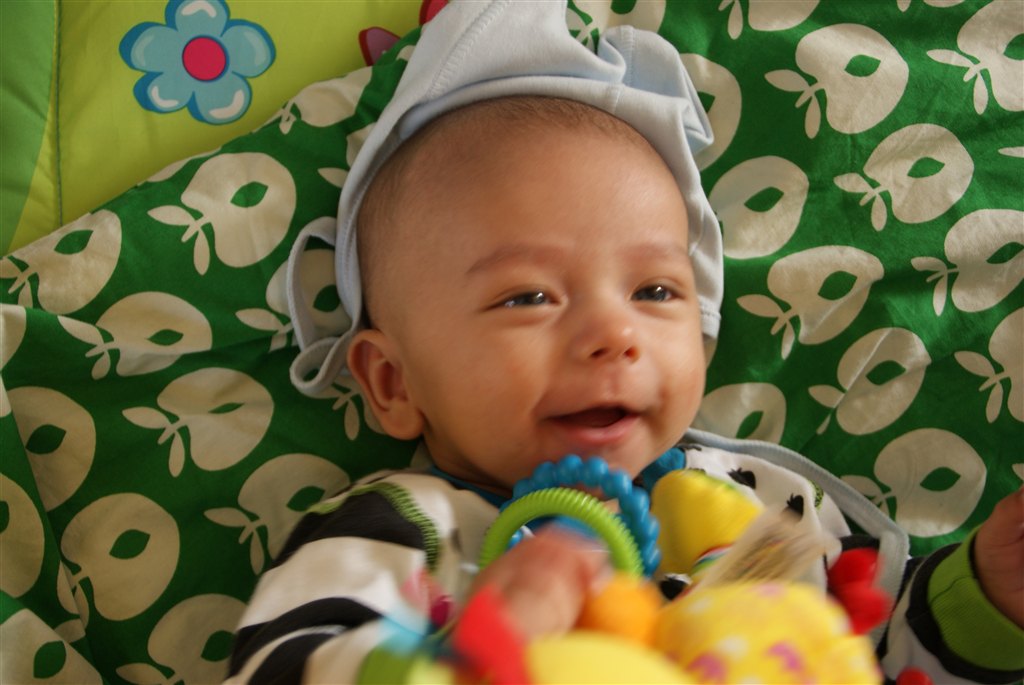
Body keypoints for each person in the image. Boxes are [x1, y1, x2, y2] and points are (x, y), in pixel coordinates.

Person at [228, 2, 1024, 683]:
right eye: (528, 297)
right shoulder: (398, 533)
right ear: (393, 382)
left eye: (656, 292)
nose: (614, 333)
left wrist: (982, 597)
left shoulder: (757, 504)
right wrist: (488, 636)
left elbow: (867, 650)